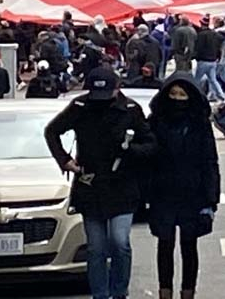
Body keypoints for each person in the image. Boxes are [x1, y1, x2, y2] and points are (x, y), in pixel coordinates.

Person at [44, 66, 156, 299]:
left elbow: (150, 145)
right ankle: (100, 294)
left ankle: (119, 291)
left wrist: (129, 150)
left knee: (119, 241)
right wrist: (65, 161)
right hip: (90, 183)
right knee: (96, 247)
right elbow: (52, 131)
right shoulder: (81, 107)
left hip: (122, 183)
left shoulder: (130, 109)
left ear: (117, 89)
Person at [147, 74, 220, 299]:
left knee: (189, 245)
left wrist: (211, 199)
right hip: (162, 193)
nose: (177, 99)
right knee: (165, 244)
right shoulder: (155, 122)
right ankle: (164, 292)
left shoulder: (200, 124)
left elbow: (209, 161)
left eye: (183, 95)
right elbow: (146, 159)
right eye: (173, 94)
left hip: (193, 193)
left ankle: (188, 292)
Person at [194, 20, 225, 102]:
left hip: (203, 60)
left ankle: (194, 95)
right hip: (213, 61)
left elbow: (198, 48)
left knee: (197, 80)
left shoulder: (201, 35)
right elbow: (220, 43)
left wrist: (195, 56)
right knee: (213, 80)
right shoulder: (215, 34)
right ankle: (222, 96)